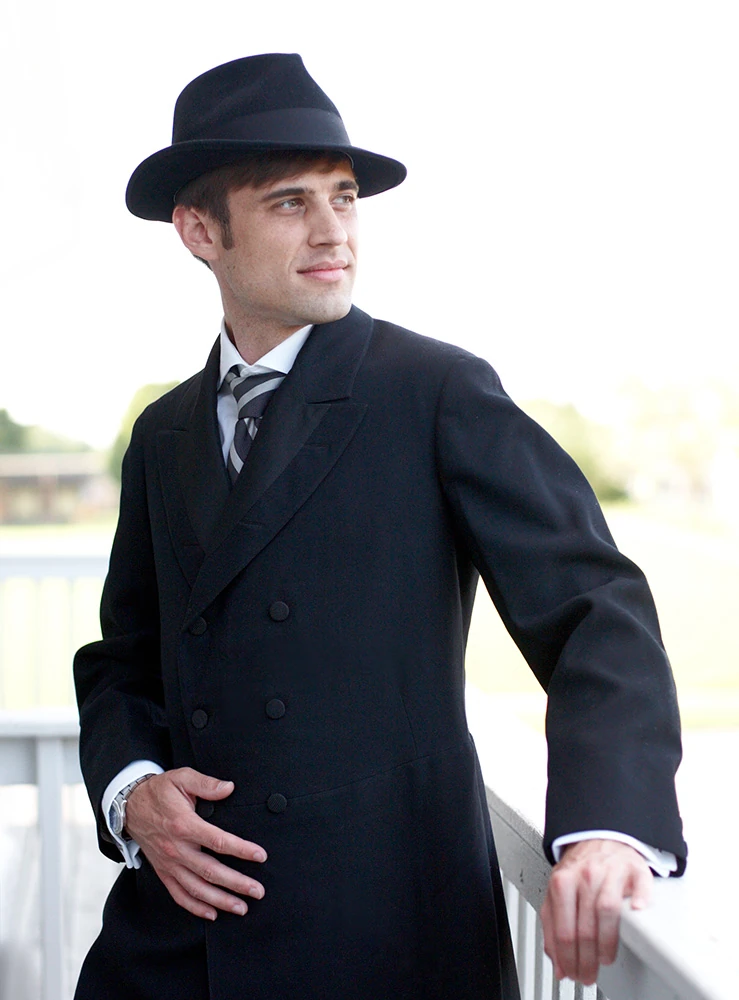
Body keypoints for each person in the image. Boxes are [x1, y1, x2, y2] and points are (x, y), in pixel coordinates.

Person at [73, 53, 687, 1000]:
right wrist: (133, 790)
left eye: (345, 198)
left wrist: (607, 825)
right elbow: (124, 661)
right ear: (199, 230)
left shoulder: (435, 390)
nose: (334, 233)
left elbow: (593, 609)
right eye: (289, 203)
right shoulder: (162, 434)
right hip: (176, 944)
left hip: (385, 939)